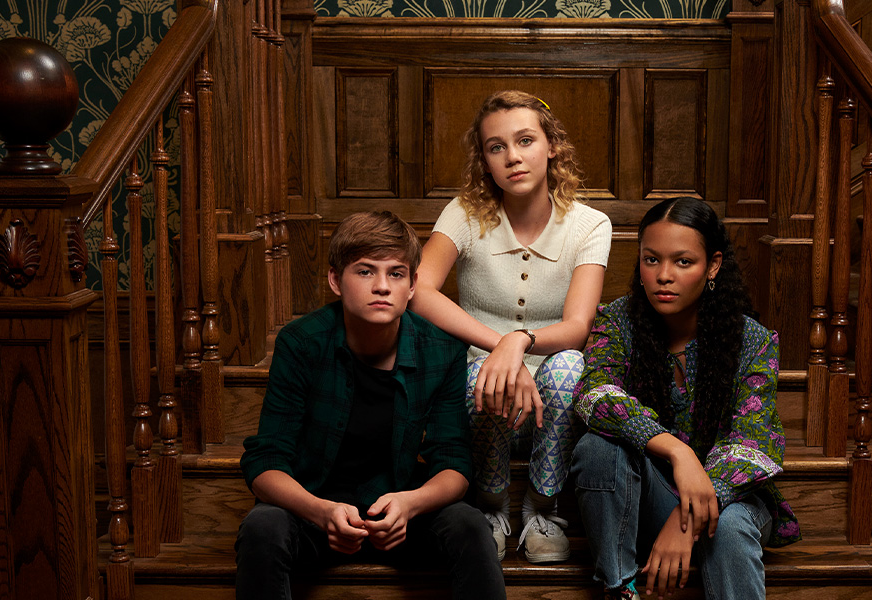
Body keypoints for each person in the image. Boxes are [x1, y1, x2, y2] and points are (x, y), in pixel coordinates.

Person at [235, 211, 505, 600]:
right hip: (315, 510)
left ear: (413, 285)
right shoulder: (302, 343)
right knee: (263, 527)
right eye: (364, 272)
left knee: (470, 525)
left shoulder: (442, 350)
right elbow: (265, 462)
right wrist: (320, 511)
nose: (382, 286)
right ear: (335, 280)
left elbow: (454, 463)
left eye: (396, 273)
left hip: (398, 514)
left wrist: (410, 504)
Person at [410, 90, 612, 563]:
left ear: (551, 146)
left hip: (554, 406)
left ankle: (544, 507)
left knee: (568, 366)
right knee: (486, 372)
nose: (513, 157)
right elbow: (418, 291)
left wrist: (519, 342)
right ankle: (493, 505)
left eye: (525, 140)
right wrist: (500, 350)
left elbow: (580, 325)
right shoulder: (464, 212)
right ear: (484, 159)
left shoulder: (590, 224)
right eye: (496, 147)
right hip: (480, 398)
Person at [570, 197, 801, 600]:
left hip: (729, 501)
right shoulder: (617, 321)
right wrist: (679, 453)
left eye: (682, 262)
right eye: (651, 259)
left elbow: (754, 444)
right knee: (597, 448)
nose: (663, 276)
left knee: (728, 528)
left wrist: (684, 519)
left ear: (712, 266)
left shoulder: (752, 341)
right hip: (648, 497)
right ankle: (620, 589)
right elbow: (593, 395)